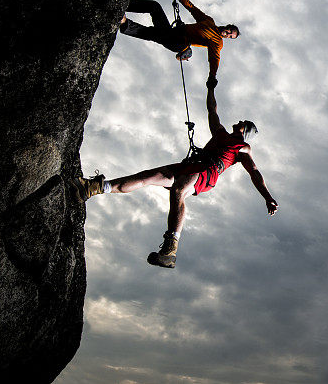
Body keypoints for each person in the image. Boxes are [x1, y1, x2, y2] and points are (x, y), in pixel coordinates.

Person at [72, 77, 278, 269]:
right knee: (146, 177)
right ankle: (95, 188)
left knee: (178, 191)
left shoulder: (243, 148)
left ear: (246, 130)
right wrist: (211, 88)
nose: (240, 120)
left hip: (206, 171)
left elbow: (254, 172)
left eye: (243, 122)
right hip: (192, 164)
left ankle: (170, 250)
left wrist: (267, 197)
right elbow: (212, 110)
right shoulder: (221, 133)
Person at [119, 0, 239, 79]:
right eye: (230, 31)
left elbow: (215, 58)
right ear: (228, 26)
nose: (228, 34)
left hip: (180, 43)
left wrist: (212, 76)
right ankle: (124, 4)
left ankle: (125, 23)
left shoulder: (218, 42)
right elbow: (192, 8)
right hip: (173, 32)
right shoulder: (209, 21)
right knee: (154, 7)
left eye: (230, 36)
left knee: (158, 35)